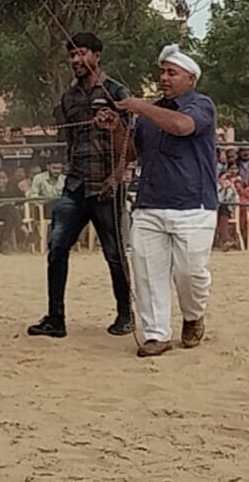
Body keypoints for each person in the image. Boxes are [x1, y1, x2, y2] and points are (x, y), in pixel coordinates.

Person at [97, 43, 217, 357]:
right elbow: (134, 151)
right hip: (149, 203)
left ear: (190, 78)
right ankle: (156, 334)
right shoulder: (149, 114)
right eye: (162, 72)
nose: (164, 78)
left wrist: (139, 107)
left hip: (194, 205)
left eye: (171, 73)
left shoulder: (201, 105)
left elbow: (182, 126)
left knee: (190, 273)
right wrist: (115, 129)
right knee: (147, 273)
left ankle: (193, 315)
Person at [26, 32, 135, 339]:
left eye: (81, 53)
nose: (75, 60)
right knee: (56, 248)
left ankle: (126, 315)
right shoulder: (69, 98)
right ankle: (55, 318)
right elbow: (70, 142)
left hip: (106, 188)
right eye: (72, 55)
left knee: (114, 254)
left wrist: (116, 178)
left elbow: (130, 143)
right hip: (74, 186)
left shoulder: (116, 91)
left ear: (97, 55)